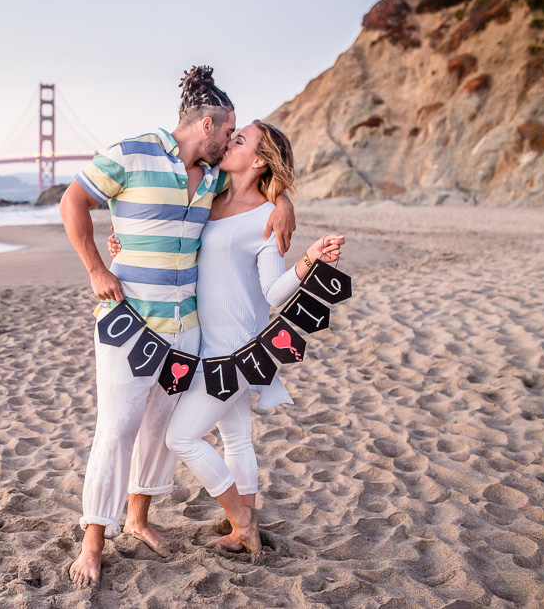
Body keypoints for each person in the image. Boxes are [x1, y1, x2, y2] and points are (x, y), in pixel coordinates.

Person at [59, 66, 296, 586]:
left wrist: (283, 201)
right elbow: (73, 200)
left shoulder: (212, 178)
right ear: (207, 124)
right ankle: (92, 542)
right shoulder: (131, 152)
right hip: (128, 328)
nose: (230, 140)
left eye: (240, 137)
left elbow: (246, 200)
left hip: (184, 335)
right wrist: (98, 266)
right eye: (228, 131)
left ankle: (138, 519)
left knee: (158, 431)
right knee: (115, 431)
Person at [109, 120, 344, 553]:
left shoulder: (265, 217)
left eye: (240, 140)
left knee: (181, 437)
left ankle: (242, 523)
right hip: (202, 343)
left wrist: (309, 258)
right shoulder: (211, 195)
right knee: (235, 435)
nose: (230, 142)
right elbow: (173, 236)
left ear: (257, 160)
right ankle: (243, 522)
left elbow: (274, 292)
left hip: (236, 350)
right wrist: (127, 245)